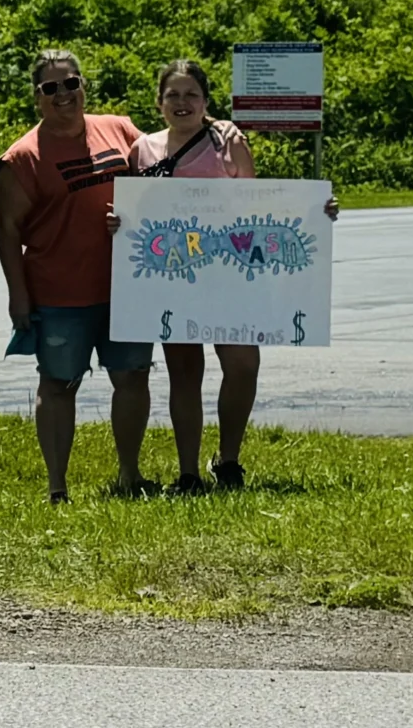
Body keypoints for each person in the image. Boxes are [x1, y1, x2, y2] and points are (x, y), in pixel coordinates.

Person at [123, 58, 339, 492]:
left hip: (232, 275)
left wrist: (314, 212)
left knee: (243, 364)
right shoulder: (142, 149)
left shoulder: (228, 143)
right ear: (159, 101)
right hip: (175, 276)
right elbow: (136, 214)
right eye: (173, 95)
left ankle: (229, 460)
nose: (182, 103)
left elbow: (260, 205)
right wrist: (119, 224)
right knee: (184, 372)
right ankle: (187, 472)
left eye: (191, 95)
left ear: (206, 101)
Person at [0, 49, 151, 501]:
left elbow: (161, 182)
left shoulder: (120, 129)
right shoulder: (21, 159)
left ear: (84, 86)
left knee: (133, 377)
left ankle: (129, 475)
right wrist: (17, 296)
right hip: (59, 293)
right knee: (59, 385)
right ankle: (58, 487)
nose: (63, 94)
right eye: (50, 87)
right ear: (37, 97)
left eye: (71, 83)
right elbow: (7, 232)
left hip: (127, 287)